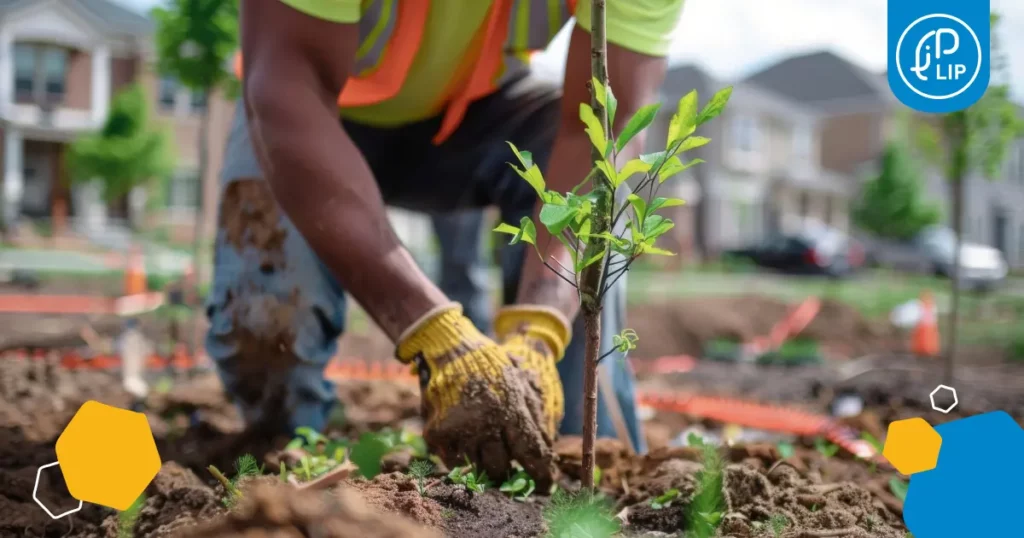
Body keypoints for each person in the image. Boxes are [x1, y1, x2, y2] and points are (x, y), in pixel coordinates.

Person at [210, 0, 685, 486]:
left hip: (477, 115)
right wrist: (429, 329)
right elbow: (288, 86)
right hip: (306, 114)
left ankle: (579, 467)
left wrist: (542, 327)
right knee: (266, 312)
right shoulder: (297, 97)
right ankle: (279, 459)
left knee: (603, 178)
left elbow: (606, 125)